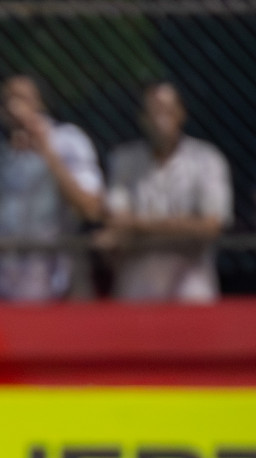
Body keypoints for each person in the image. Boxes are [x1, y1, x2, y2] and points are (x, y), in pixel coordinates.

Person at [99, 82, 232, 301]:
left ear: (181, 114)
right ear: (142, 117)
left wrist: (138, 226)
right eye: (154, 110)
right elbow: (117, 222)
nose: (161, 118)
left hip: (192, 293)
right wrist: (186, 226)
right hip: (136, 293)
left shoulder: (207, 159)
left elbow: (212, 226)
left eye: (168, 110)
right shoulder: (123, 159)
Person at [0, 74, 102, 300]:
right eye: (8, 100)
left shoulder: (68, 140)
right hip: (3, 285)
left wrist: (45, 151)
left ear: (40, 103)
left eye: (22, 98)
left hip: (56, 282)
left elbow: (90, 208)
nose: (14, 107)